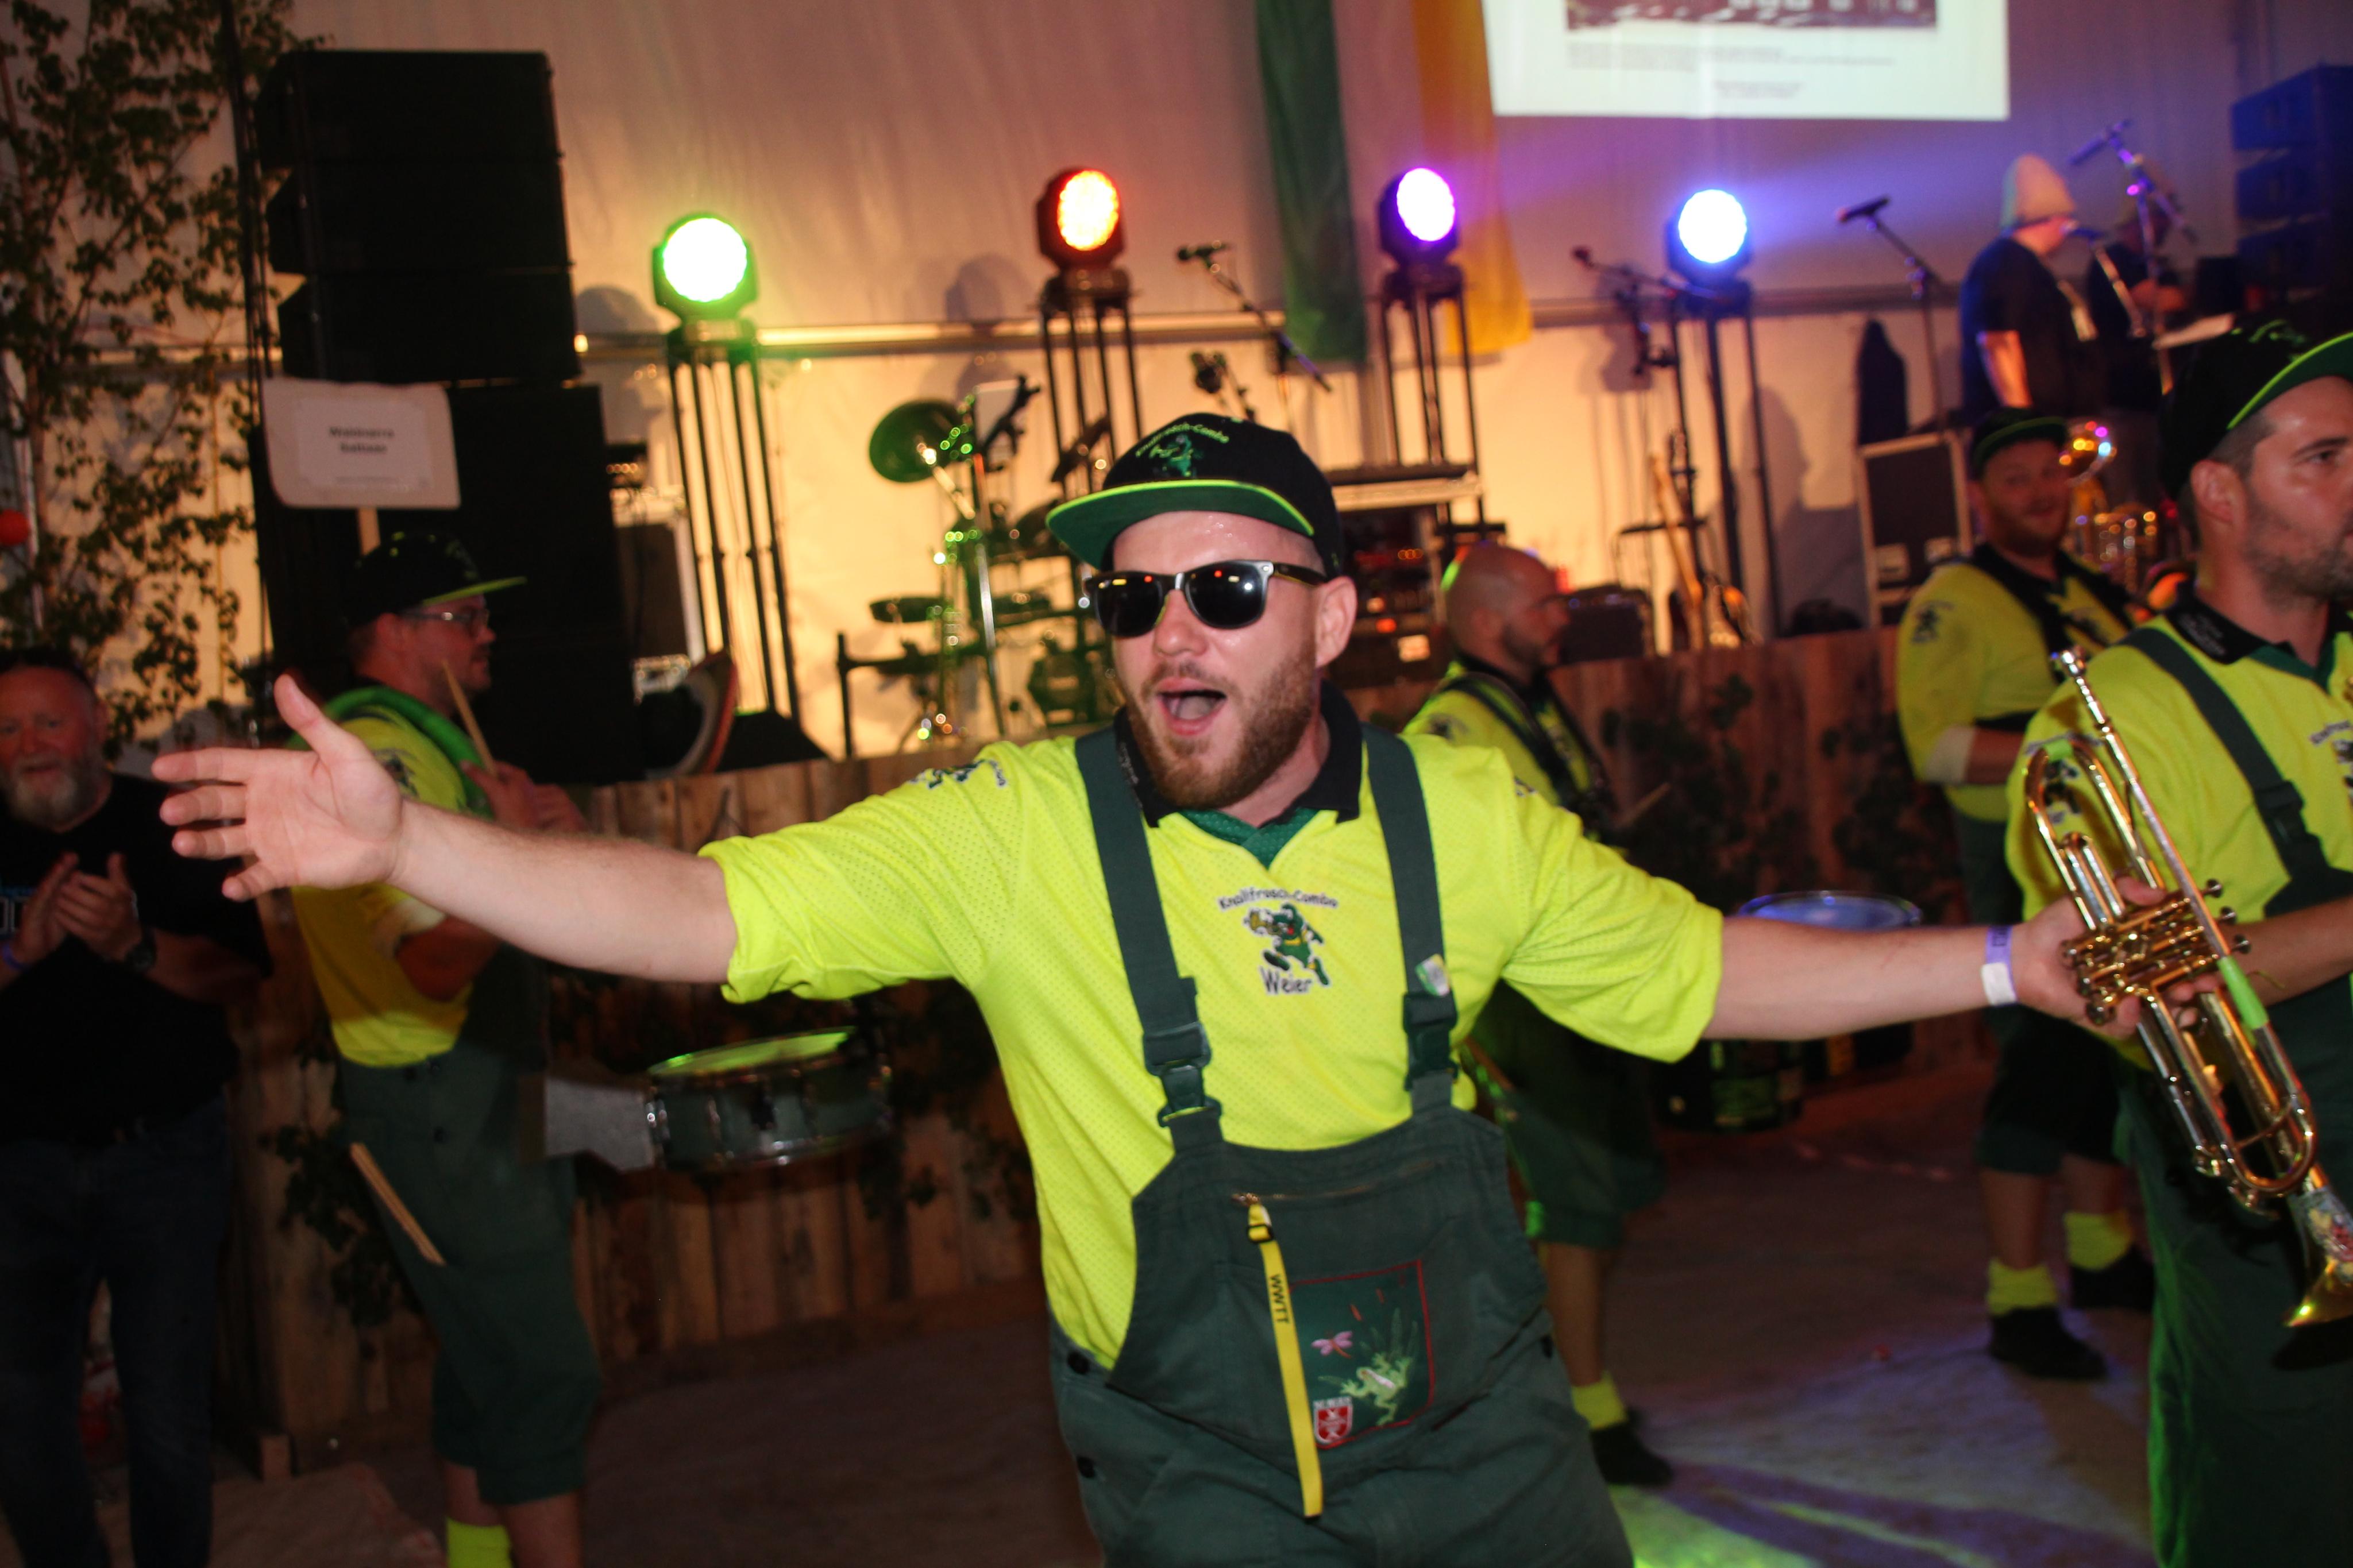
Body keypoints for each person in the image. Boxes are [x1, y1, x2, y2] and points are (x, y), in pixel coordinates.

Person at [159, 415, 2119, 1568]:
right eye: (1131, 596)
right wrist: (409, 846)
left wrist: (2003, 961)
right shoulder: (1015, 833)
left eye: (1224, 590)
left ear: (1331, 617)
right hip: (1206, 1471)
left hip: (1486, 1441)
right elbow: (693, 912)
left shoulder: (1460, 815)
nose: (1170, 632)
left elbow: (1693, 975)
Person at [2007, 322, 2353, 1568]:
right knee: (2281, 1504)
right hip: (2269, 1202)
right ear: (2218, 491)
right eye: (2324, 459)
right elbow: (2151, 993)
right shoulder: (2111, 720)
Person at [287, 533, 597, 1568]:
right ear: (391, 631)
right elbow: (434, 962)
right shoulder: (373, 762)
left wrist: (546, 843)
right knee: (540, 1372)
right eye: (463, 616)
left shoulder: (427, 745)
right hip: (437, 1098)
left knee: (482, 1360)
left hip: (482, 1087)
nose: (486, 633)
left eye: (483, 615)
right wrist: (522, 851)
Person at [1403, 544, 1672, 1487]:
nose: (1562, 618)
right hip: (1530, 996)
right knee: (1576, 1201)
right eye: (1544, 605)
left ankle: (1572, 1389)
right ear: (1486, 622)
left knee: (1600, 1199)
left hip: (1580, 981)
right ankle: (1584, 1415)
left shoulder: (1523, 703)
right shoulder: (1454, 728)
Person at [1896, 409, 2154, 1380]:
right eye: (2017, 478)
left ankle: (2100, 1254)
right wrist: (2068, 751)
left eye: (2052, 474)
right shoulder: (1951, 600)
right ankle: (2017, 1300)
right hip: (2018, 859)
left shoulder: (2089, 591)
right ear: (1979, 496)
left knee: (2102, 1056)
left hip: (2105, 854)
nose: (2042, 492)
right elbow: (1934, 748)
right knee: (2038, 1072)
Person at [0, 646, 269, 1568]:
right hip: (18, 1169)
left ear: (98, 727)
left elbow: (243, 976)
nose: (29, 744)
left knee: (166, 1416)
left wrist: (136, 944)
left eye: (48, 721)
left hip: (165, 1159)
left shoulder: (171, 826)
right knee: (19, 1419)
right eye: (7, 729)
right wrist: (18, 953)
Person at [1959, 154, 2105, 424]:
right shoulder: (2006, 262)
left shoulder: (2028, 265)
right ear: (2055, 217)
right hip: (2036, 426)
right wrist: (2024, 424)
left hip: (2061, 422)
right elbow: (1998, 343)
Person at [2082, 194, 2190, 508]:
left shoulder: (2158, 266)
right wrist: (2180, 295)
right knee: (2123, 490)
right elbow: (2157, 299)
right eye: (2159, 220)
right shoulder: (2110, 262)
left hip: (2155, 397)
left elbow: (2176, 301)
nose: (2165, 228)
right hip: (2121, 396)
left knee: (2156, 488)